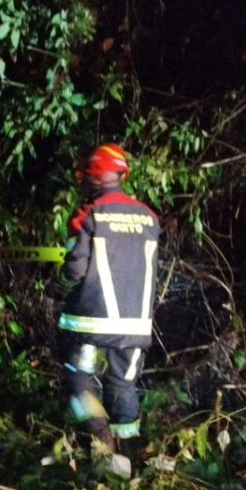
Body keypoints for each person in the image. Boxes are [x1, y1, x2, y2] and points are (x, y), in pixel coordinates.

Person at [56, 143, 159, 458]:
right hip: (135, 328)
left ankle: (101, 445)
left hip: (90, 325)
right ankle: (130, 458)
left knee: (78, 380)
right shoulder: (149, 217)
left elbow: (74, 269)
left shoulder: (89, 214)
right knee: (124, 386)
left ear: (96, 176)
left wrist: (58, 283)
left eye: (86, 176)